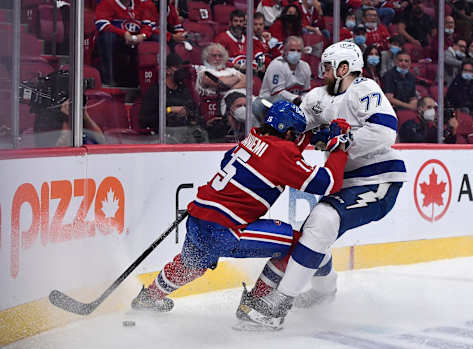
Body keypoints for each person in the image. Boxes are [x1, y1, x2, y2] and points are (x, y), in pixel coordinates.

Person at [236, 41, 407, 330]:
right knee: (313, 234)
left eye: (328, 66)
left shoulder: (364, 89)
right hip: (346, 182)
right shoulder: (317, 96)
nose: (322, 71)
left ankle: (277, 307)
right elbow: (295, 128)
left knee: (323, 220)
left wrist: (342, 140)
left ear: (344, 68)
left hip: (378, 180)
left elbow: (384, 131)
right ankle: (324, 293)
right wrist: (269, 122)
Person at [130, 101, 352, 313]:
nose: (297, 140)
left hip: (199, 217)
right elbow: (327, 183)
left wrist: (312, 136)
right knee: (298, 244)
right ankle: (255, 304)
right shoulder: (281, 153)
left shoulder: (252, 138)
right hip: (224, 229)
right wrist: (340, 147)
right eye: (296, 135)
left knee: (192, 264)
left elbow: (251, 156)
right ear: (288, 133)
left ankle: (149, 298)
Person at [138, 53, 207, 143]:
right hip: (163, 135)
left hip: (185, 132)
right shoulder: (156, 91)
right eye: (178, 68)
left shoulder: (184, 90)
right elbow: (144, 120)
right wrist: (169, 110)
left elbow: (195, 114)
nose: (181, 71)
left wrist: (190, 114)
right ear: (167, 70)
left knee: (202, 134)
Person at [95, 0, 153, 86]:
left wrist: (142, 36)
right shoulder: (107, 2)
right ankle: (108, 80)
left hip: (136, 38)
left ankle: (143, 82)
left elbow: (148, 25)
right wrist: (124, 33)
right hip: (117, 39)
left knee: (155, 39)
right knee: (107, 37)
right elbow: (101, 24)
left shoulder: (141, 4)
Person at [195, 43, 246, 141]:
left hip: (238, 101)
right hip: (214, 112)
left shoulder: (231, 70)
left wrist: (230, 89)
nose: (217, 58)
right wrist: (235, 79)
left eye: (220, 56)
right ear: (207, 57)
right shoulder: (203, 70)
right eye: (214, 56)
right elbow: (219, 83)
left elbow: (248, 81)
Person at [253, 35, 311, 121]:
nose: (295, 53)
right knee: (280, 101)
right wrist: (295, 99)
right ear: (284, 51)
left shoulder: (305, 66)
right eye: (292, 50)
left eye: (298, 51)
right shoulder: (277, 64)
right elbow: (277, 93)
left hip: (292, 105)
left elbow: (306, 91)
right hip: (267, 103)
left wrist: (304, 100)